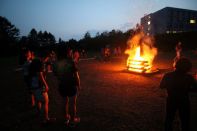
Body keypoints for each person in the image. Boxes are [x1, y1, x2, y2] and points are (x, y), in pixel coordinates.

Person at [160, 57, 197, 131]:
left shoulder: (168, 75)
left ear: (176, 65)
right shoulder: (188, 77)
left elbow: (161, 86)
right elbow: (196, 88)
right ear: (188, 68)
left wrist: (170, 87)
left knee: (169, 118)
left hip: (171, 100)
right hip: (184, 100)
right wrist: (187, 89)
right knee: (184, 119)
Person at [58, 49, 81, 125]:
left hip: (62, 85)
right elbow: (77, 76)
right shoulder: (72, 63)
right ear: (67, 54)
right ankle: (72, 120)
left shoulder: (59, 63)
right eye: (71, 53)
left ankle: (65, 119)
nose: (72, 54)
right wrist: (79, 85)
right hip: (71, 85)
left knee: (64, 103)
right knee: (72, 103)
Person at [29, 58, 52, 123]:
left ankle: (39, 112)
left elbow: (41, 75)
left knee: (38, 101)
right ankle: (46, 118)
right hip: (40, 88)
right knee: (46, 102)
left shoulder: (32, 71)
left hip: (34, 88)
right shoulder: (39, 72)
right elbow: (41, 77)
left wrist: (46, 70)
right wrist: (46, 85)